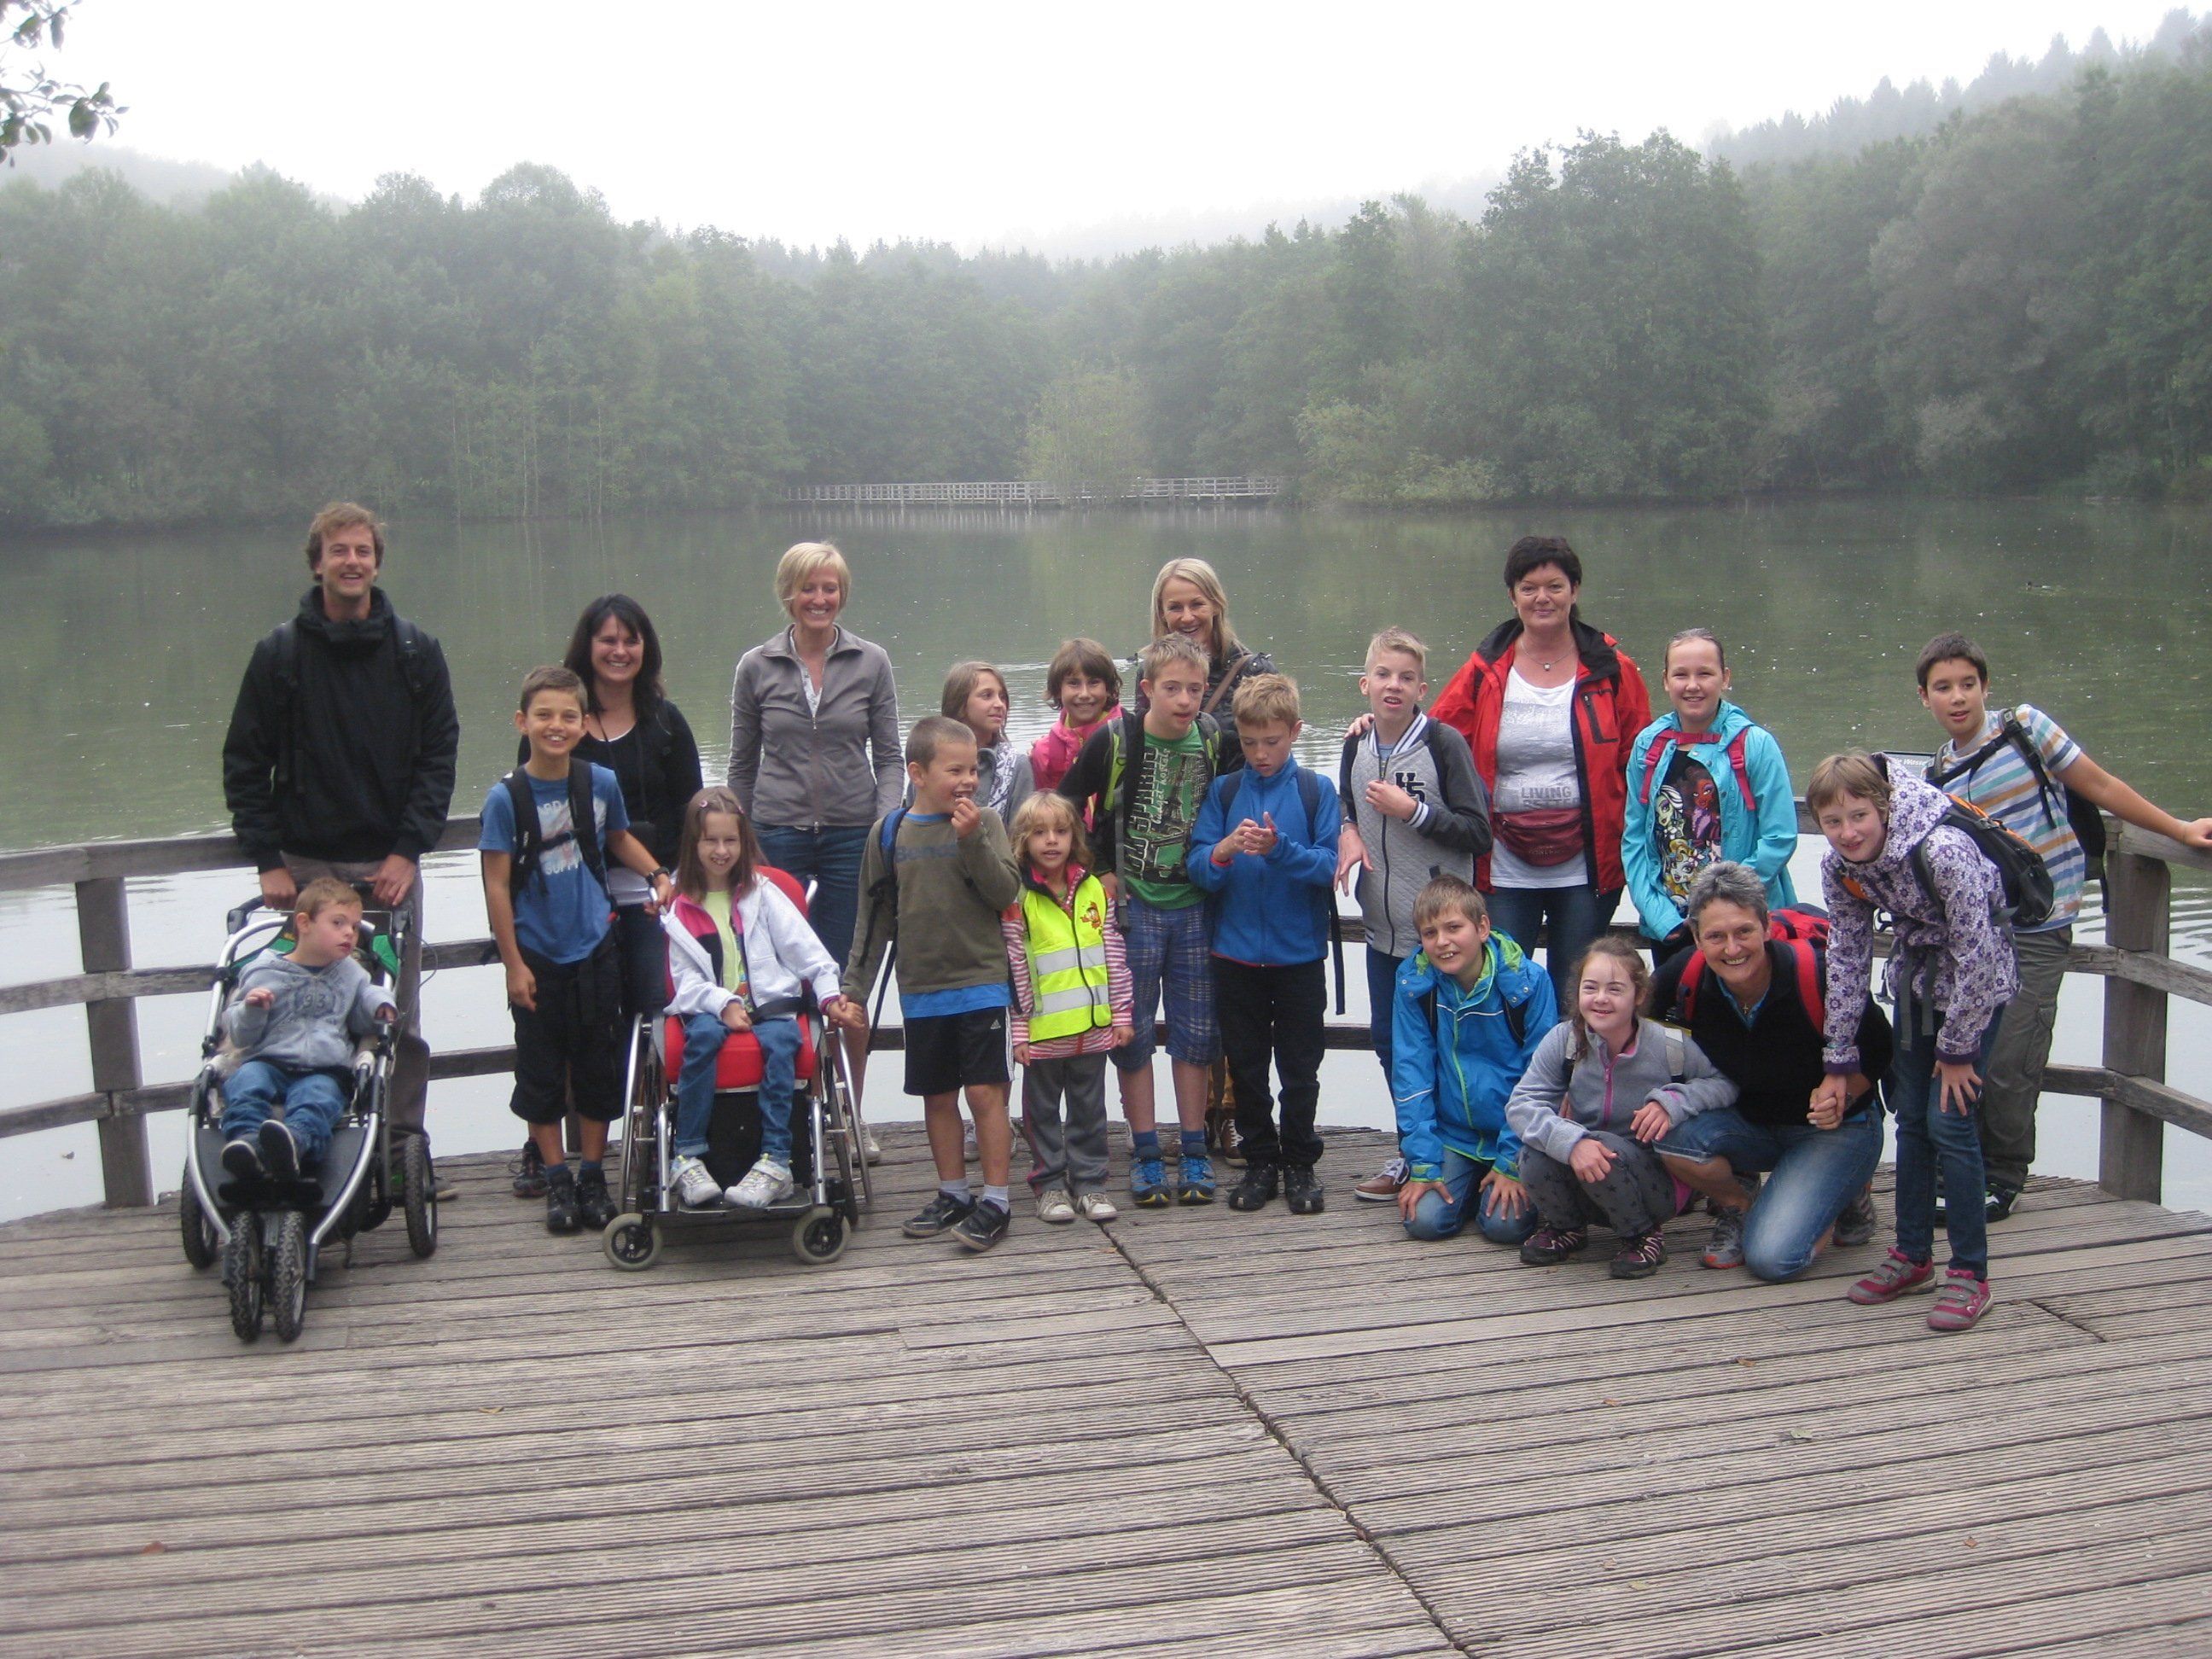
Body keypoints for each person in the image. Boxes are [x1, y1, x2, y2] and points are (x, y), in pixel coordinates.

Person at [1916, 631, 2212, 1223]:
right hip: (1976, 936)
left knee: (2011, 1056)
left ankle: (2003, 1176)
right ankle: (1963, 1167)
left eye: (1968, 685)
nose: (1958, 698)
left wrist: (2178, 830)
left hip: (2040, 922)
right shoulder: (1934, 774)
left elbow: (2099, 787)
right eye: (1943, 688)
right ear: (1924, 698)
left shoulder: (2026, 729)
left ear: (1985, 687)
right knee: (1966, 1048)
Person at [222, 501, 458, 1187]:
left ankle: (394, 1156)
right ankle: (268, 1142)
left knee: (392, 1020)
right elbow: (244, 760)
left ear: (377, 562)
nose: (351, 561)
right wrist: (267, 856)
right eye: (338, 550)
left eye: (363, 550)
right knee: (280, 1007)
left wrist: (408, 850)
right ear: (317, 561)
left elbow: (439, 758)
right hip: (300, 873)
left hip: (387, 871)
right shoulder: (280, 654)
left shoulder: (415, 651)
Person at [1812, 751, 2016, 1335]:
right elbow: (1847, 957)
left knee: (1951, 1120)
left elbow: (1978, 953)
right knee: (1912, 1121)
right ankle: (1912, 1255)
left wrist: (1957, 1052)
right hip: (1917, 984)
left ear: (1883, 807)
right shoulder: (1840, 867)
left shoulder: (1942, 850)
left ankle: (1971, 1274)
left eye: (1858, 816)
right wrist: (1839, 1055)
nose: (1848, 832)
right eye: (1833, 821)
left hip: (1980, 988)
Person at [511, 594, 702, 1200]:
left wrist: (676, 884)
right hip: (574, 902)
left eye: (631, 640)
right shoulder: (560, 719)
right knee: (569, 1024)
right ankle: (549, 1154)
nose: (620, 652)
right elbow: (526, 820)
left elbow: (692, 810)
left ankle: (652, 1140)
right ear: (587, 647)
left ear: (646, 649)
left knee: (653, 1016)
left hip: (653, 898)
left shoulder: (666, 722)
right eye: (608, 640)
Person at [480, 667, 674, 1235]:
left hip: (595, 947)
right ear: (523, 722)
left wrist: (659, 871)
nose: (556, 726)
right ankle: (557, 1179)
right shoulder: (505, 798)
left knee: (597, 1067)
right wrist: (513, 964)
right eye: (544, 715)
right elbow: (495, 885)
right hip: (536, 955)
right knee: (540, 1072)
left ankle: (593, 1174)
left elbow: (617, 839)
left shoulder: (597, 784)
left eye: (568, 716)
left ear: (585, 724)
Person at [1428, 535, 1651, 1006]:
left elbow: (1644, 756)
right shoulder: (1485, 670)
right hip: (1505, 864)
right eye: (1529, 587)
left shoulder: (1612, 670)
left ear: (1575, 591)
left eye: (1555, 586)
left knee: (1579, 993)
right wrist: (1376, 727)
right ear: (1512, 596)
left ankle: (1573, 1079)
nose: (1542, 598)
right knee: (1507, 988)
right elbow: (1433, 738)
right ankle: (1518, 1082)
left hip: (1587, 866)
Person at [1650, 862, 1893, 1280]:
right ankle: (1739, 1205)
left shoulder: (1817, 973)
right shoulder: (1684, 977)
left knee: (1773, 1259)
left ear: (1765, 926)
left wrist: (1845, 1094)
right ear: (1696, 938)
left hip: (1835, 1128)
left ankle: (1843, 1191)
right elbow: (1632, 1034)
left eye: (1743, 931)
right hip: (1750, 1122)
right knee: (1663, 1129)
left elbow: (1882, 1046)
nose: (1732, 948)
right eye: (1715, 936)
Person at [728, 540, 901, 1117]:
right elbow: (741, 765)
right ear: (788, 594)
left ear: (842, 594)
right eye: (808, 588)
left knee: (847, 976)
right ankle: (794, 1106)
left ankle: (848, 1112)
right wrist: (741, 841)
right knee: (776, 973)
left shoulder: (871, 661)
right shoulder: (757, 666)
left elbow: (892, 759)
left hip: (854, 834)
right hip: (777, 833)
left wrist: (885, 828)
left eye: (829, 588)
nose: (819, 599)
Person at [1057, 635, 1228, 1208]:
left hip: (1196, 906)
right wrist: (1098, 867)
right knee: (1131, 1033)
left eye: (1195, 689)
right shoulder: (1116, 739)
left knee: (1197, 1032)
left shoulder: (1212, 738)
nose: (1184, 699)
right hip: (1133, 912)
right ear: (1148, 688)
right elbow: (1062, 809)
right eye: (1172, 688)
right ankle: (1147, 1149)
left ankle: (1196, 1148)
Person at [843, 716, 1024, 1253]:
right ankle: (953, 1193)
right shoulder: (889, 833)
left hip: (982, 982)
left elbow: (1004, 892)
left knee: (985, 1092)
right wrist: (853, 989)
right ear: (918, 773)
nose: (968, 780)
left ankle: (996, 1199)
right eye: (955, 770)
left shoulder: (987, 822)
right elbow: (872, 919)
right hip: (921, 988)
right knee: (937, 1095)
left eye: (973, 769)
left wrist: (970, 841)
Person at [1335, 627, 1494, 1204]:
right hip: (1382, 933)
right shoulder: (1355, 743)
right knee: (1391, 1046)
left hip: (1440, 938)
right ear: (1365, 684)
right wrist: (1348, 831)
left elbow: (1478, 832)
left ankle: (1462, 1158)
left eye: (1405, 678)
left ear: (1422, 687)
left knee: (1449, 1049)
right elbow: (1346, 802)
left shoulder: (1444, 745)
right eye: (1383, 676)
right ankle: (1412, 1153)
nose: (1393, 686)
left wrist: (1416, 811)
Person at [1186, 673, 1343, 1216]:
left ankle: (1300, 1162)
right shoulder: (1225, 790)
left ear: (1295, 732)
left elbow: (1328, 867)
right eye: (1250, 743)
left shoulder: (1317, 791)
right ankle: (1259, 1162)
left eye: (1272, 742)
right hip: (1234, 958)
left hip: (1298, 957)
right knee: (1247, 1067)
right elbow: (1199, 869)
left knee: (1301, 1067)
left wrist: (1279, 850)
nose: (1260, 753)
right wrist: (1225, 850)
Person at [661, 788, 852, 1211]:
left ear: (744, 842)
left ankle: (777, 1161)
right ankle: (687, 1156)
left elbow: (810, 954)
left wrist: (828, 997)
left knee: (782, 1043)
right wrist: (721, 1002)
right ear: (694, 844)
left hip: (771, 1007)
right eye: (711, 840)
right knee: (703, 1039)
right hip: (709, 1008)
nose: (722, 850)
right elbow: (683, 980)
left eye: (731, 840)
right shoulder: (680, 905)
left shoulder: (763, 894)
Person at [1507, 937, 1735, 1279]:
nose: (1600, 999)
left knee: (1603, 1146)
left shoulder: (1670, 1046)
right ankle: (1568, 1226)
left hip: (1656, 1187)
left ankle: (1643, 1235)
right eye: (1591, 988)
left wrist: (1672, 1101)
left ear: (1638, 996)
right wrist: (1571, 1141)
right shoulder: (1564, 1040)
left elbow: (1723, 1085)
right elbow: (1522, 1104)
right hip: (1588, 1175)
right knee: (1534, 1152)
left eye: (1615, 989)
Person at [1390, 876, 1553, 1248]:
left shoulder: (1528, 983)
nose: (1442, 942)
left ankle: (1499, 1181)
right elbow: (1411, 1074)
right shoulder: (1415, 985)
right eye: (1430, 933)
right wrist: (1422, 1164)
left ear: (1482, 927)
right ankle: (1462, 1183)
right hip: (1454, 1134)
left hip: (1514, 1135)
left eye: (1453, 928)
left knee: (1504, 1229)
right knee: (1424, 1221)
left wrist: (1512, 1162)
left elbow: (1540, 1078)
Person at [1621, 629, 1797, 960]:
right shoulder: (1649, 746)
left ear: (1725, 677)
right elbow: (1634, 838)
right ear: (1665, 680)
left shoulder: (1754, 745)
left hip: (1739, 923)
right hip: (1671, 924)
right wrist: (1660, 916)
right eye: (1681, 674)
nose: (1693, 685)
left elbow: (1780, 837)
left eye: (1705, 673)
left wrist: (1726, 906)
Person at [1001, 793, 1132, 1225]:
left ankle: (1091, 1183)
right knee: (1040, 1113)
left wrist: (1122, 1013)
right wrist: (1020, 1030)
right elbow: (1016, 965)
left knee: (1089, 1110)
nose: (1051, 841)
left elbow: (1113, 951)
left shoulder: (1093, 888)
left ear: (1074, 836)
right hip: (1042, 1032)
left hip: (1092, 1029)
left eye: (1060, 831)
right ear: (1022, 841)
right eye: (1039, 833)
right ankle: (1050, 1185)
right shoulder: (1018, 895)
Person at [216, 878, 395, 1181]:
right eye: (338, 923)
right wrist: (251, 1010)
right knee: (246, 1082)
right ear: (304, 923)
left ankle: (294, 1144)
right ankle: (246, 1143)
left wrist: (380, 1004)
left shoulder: (352, 974)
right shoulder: (264, 971)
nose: (349, 933)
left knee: (318, 1098)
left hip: (324, 1068)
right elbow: (239, 1034)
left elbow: (364, 1006)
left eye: (353, 926)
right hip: (268, 1059)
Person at [1140, 556, 1273, 728]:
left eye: (1197, 605)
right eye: (1175, 608)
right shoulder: (1149, 670)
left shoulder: (1256, 672)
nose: (1187, 617)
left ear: (1216, 605)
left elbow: (1277, 745)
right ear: (1162, 613)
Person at [940, 661, 1034, 823]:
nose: (999, 704)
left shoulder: (1017, 766)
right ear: (960, 705)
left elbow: (1022, 836)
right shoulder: (931, 761)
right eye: (987, 695)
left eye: (1002, 697)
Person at [1028, 637, 1123, 796]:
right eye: (1074, 683)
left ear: (1108, 687)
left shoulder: (1130, 736)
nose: (1084, 694)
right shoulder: (1044, 752)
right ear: (1058, 690)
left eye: (1094, 683)